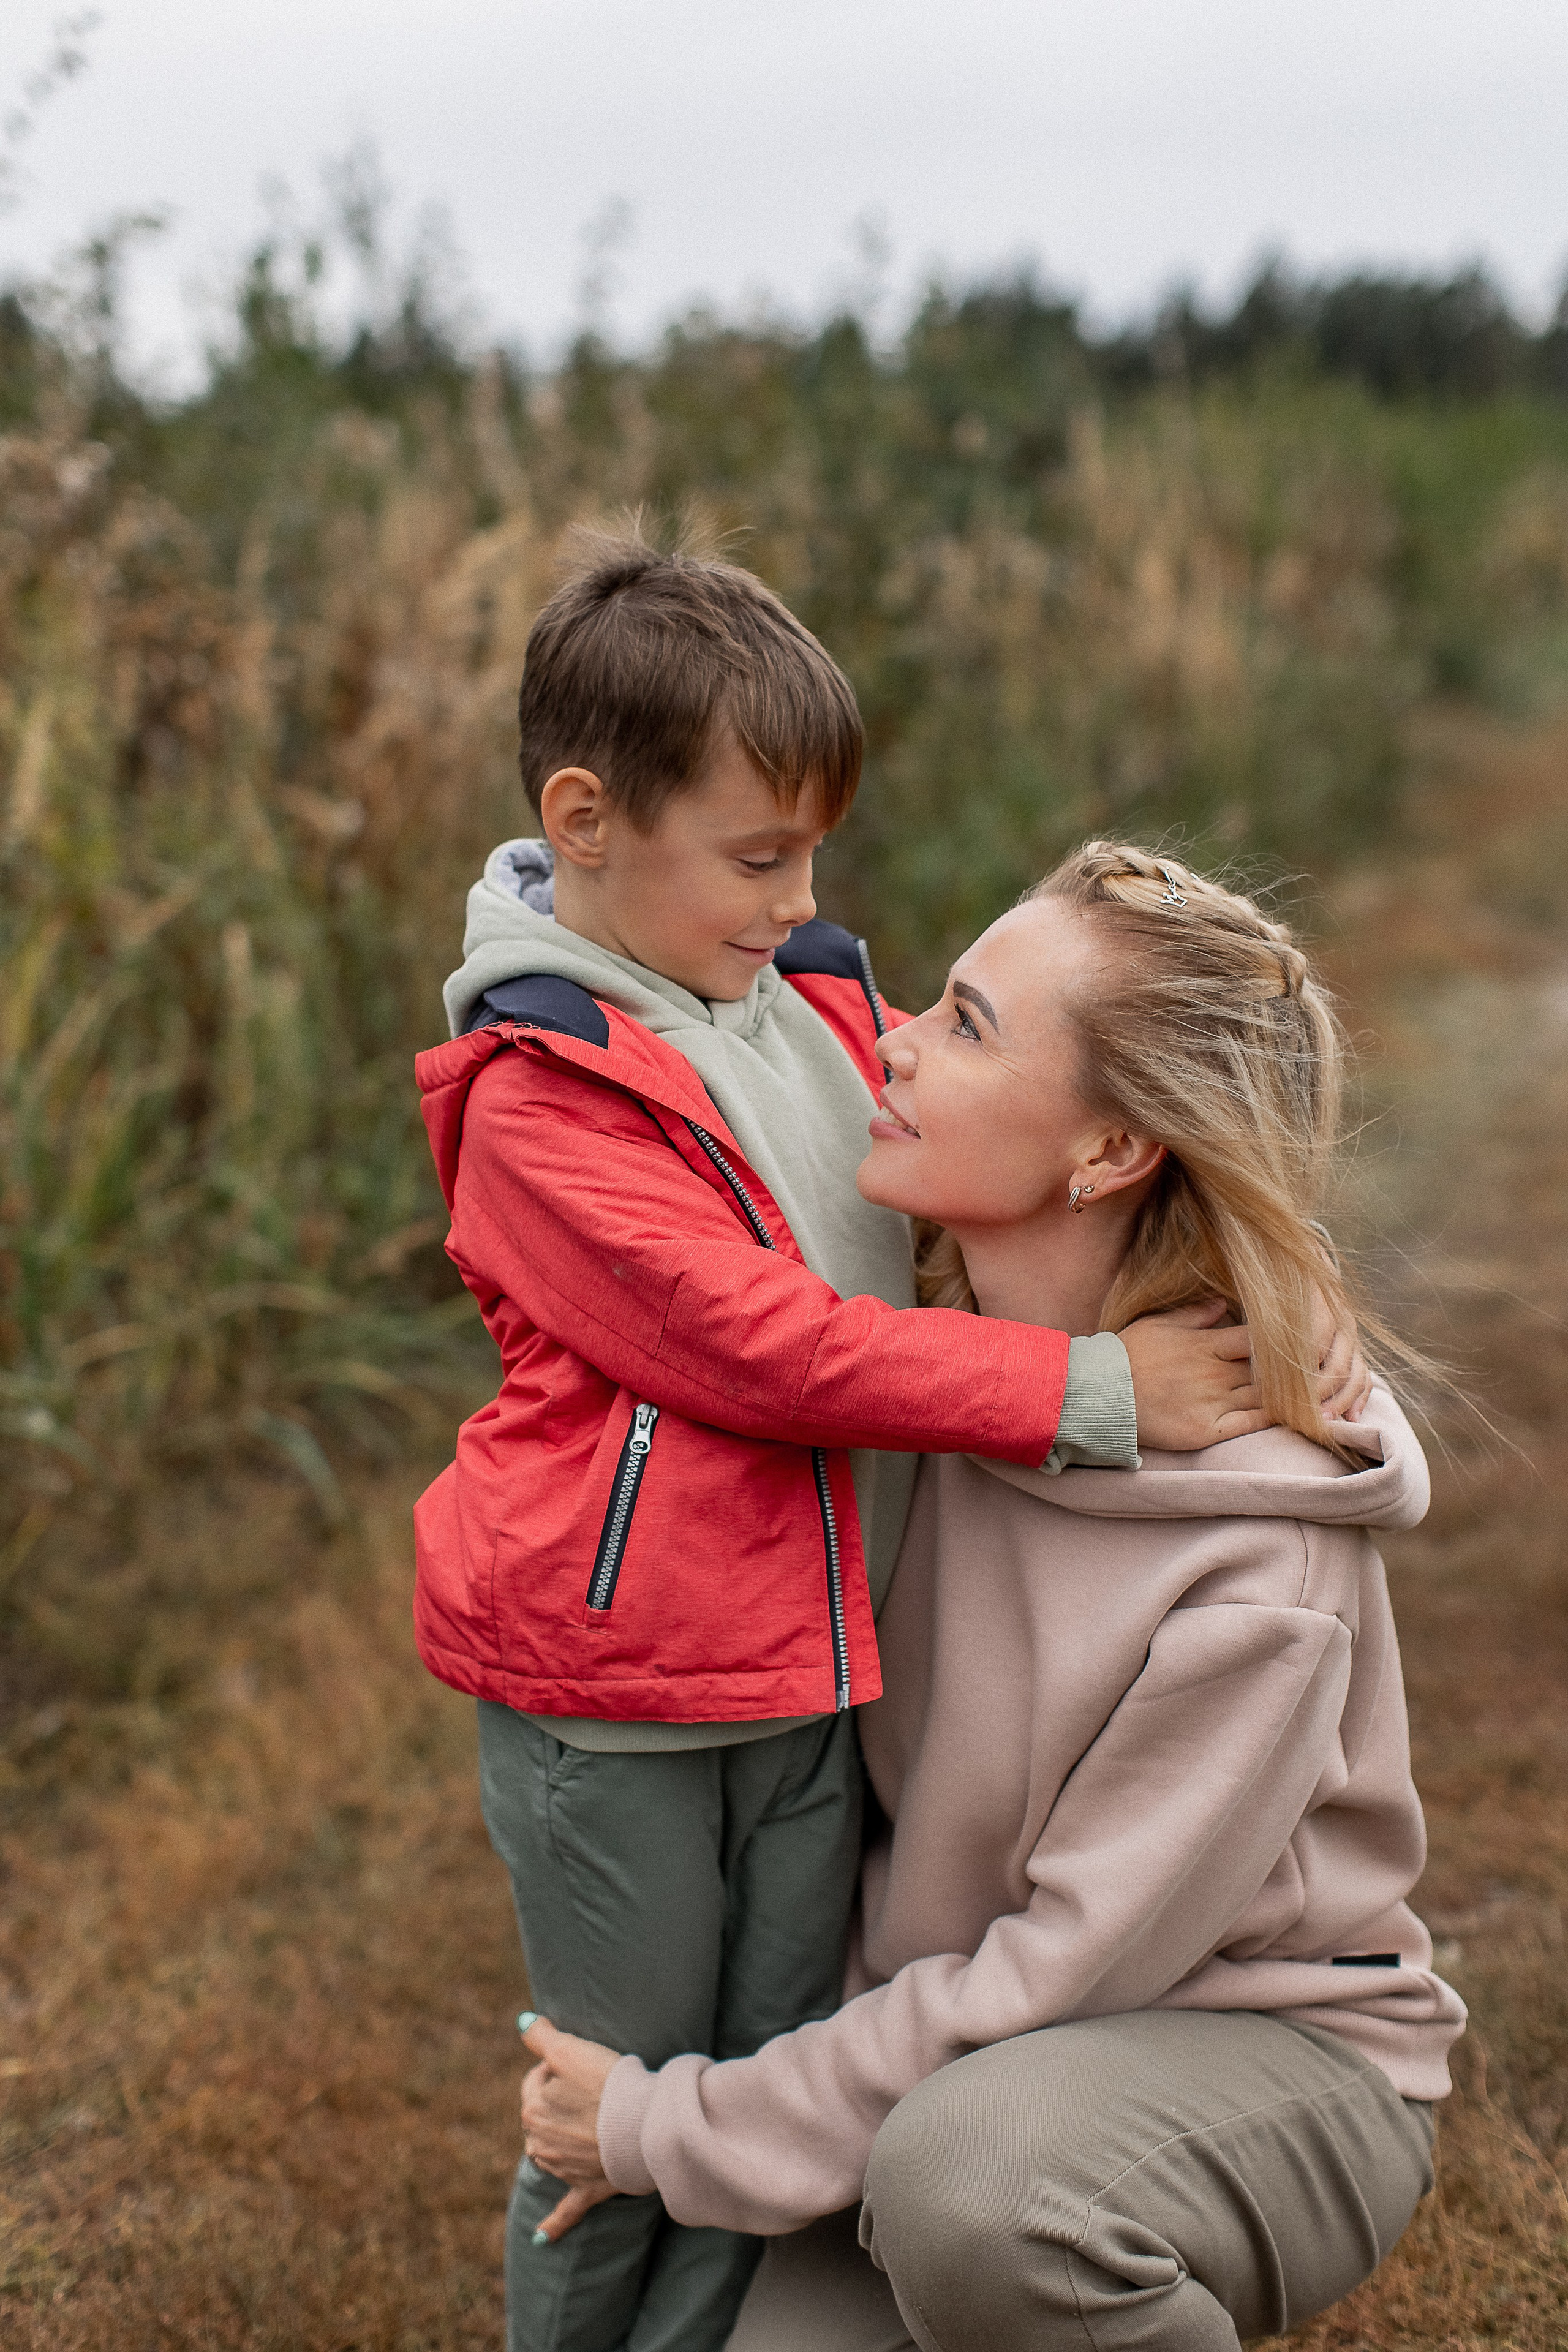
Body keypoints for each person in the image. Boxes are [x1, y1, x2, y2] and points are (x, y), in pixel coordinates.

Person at [413, 543, 1368, 2352]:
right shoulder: (543, 1090)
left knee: (745, 2090)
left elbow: (995, 1176)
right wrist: (1096, 1400)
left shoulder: (798, 1004)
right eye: (761, 858)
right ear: (586, 820)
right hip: (619, 1694)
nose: (806, 902)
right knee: (611, 2117)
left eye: (814, 855)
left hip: (798, 1674)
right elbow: (749, 1342)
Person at [513, 843, 1464, 2352]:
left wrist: (669, 2129)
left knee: (974, 2201)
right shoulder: (925, 1379)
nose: (887, 1038)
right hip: (953, 2071)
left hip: (1259, 2056)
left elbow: (1053, 1975)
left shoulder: (1259, 1563)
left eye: (963, 1023)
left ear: (1103, 1154)